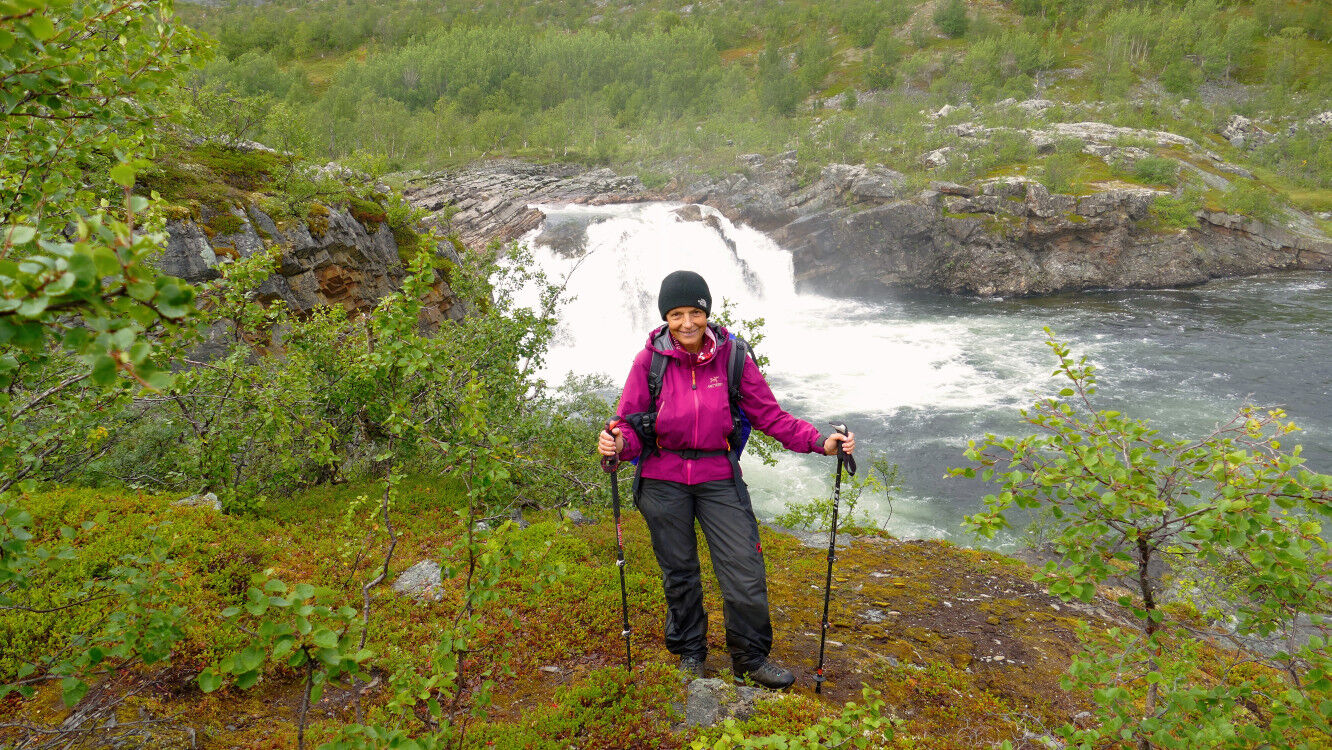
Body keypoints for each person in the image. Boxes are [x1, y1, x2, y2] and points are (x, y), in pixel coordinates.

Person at [597, 270, 855, 689]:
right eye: (676, 314)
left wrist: (819, 442)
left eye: (694, 312)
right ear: (666, 317)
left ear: (706, 313)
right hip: (662, 477)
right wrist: (614, 444)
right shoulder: (649, 360)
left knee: (743, 568)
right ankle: (690, 653)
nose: (686, 323)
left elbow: (770, 415)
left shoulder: (732, 357)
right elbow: (628, 425)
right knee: (679, 573)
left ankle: (749, 659)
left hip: (718, 474)